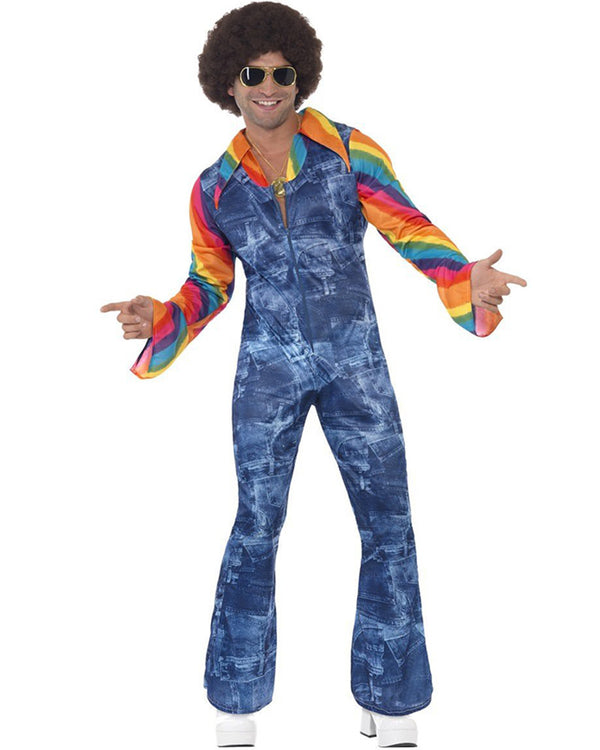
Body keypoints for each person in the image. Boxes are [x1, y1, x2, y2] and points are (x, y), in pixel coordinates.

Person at [100, 2, 527, 747]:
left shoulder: (350, 151)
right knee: (256, 526)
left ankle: (390, 698)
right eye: (252, 73)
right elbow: (209, 284)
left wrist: (464, 277)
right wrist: (162, 314)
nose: (268, 85)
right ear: (228, 84)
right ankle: (236, 703)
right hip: (266, 374)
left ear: (302, 78)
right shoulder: (214, 187)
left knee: (388, 523)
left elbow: (407, 225)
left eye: (282, 72)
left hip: (355, 364)